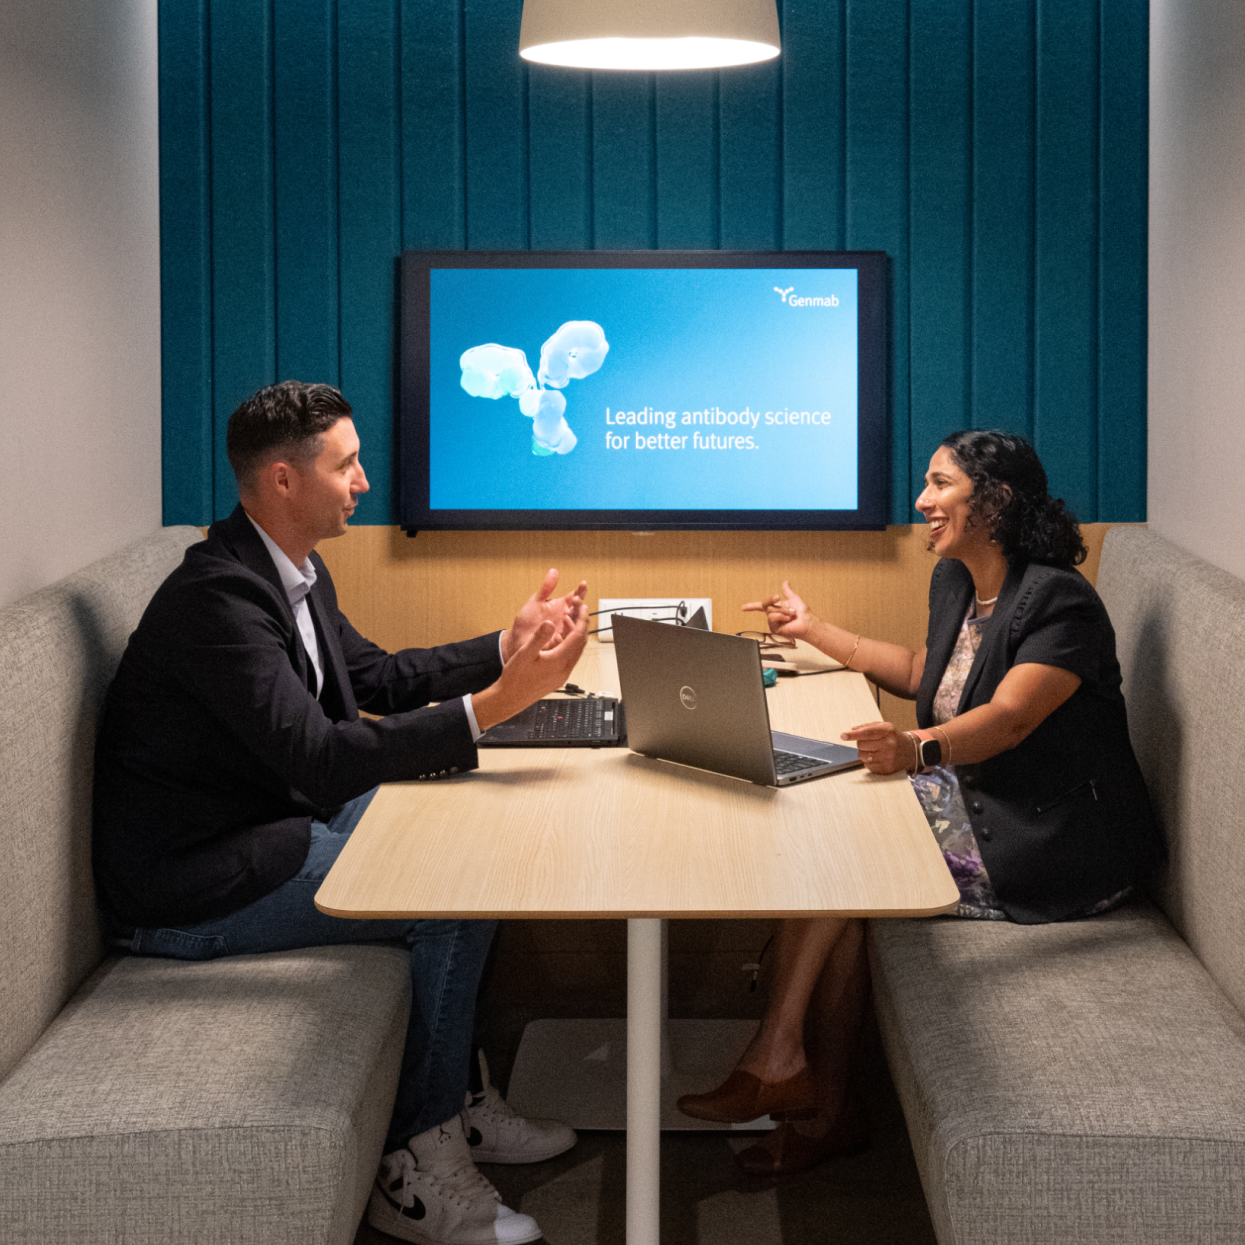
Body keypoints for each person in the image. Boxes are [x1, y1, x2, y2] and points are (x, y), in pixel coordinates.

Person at [93, 380, 589, 1245]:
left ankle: (460, 1100)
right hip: (195, 886)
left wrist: (498, 650)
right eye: (346, 464)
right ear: (283, 480)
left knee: (474, 833)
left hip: (268, 824)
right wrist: (498, 704)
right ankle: (413, 1160)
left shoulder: (287, 569)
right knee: (447, 891)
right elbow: (317, 759)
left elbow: (376, 678)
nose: (363, 480)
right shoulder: (217, 599)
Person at [676, 429, 1162, 1176]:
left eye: (940, 485)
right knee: (837, 840)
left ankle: (787, 1067)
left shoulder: (1059, 600)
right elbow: (921, 672)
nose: (920, 501)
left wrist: (917, 749)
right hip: (981, 797)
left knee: (846, 857)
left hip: (1050, 836)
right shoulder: (957, 583)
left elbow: (1009, 717)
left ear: (992, 501)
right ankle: (814, 1097)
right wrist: (814, 630)